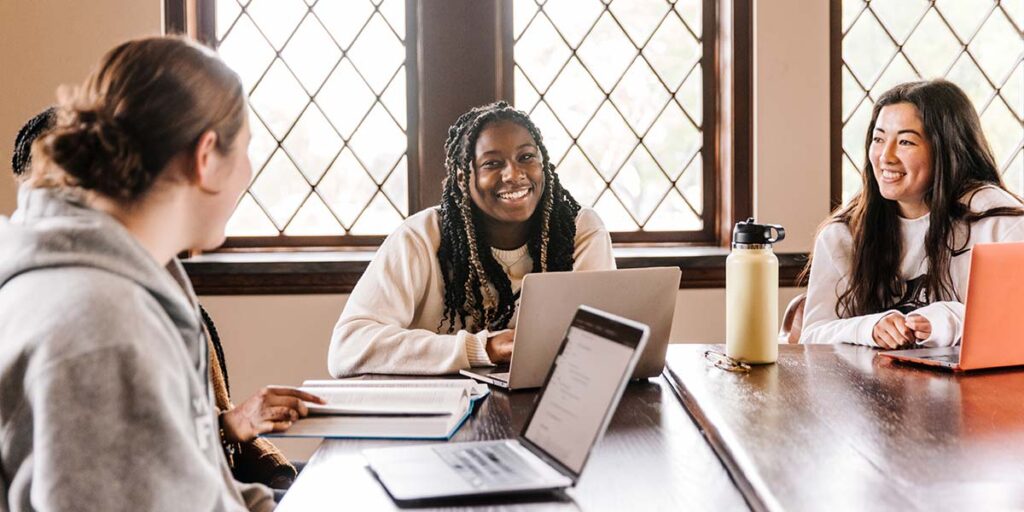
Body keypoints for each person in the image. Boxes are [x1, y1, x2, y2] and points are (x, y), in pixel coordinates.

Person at [0, 36, 316, 511]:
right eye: (246, 149)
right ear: (206, 156)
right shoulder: (106, 327)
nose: (249, 171)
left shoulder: (113, 278)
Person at [328, 101, 615, 377]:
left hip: (547, 408)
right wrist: (482, 348)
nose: (514, 174)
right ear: (463, 177)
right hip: (439, 411)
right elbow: (348, 347)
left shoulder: (581, 230)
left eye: (526, 157)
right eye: (492, 163)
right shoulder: (420, 238)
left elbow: (603, 344)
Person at [800, 79, 1024, 349]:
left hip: (981, 390)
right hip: (870, 390)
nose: (886, 156)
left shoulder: (999, 222)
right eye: (879, 139)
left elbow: (1014, 328)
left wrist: (947, 320)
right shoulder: (843, 234)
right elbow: (811, 337)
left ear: (947, 149)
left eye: (905, 141)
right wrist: (868, 328)